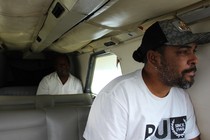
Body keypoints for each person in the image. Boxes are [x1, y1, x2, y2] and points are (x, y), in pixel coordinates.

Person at [83, 18, 210, 140]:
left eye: (194, 51)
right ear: (154, 58)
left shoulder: (182, 98)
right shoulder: (116, 97)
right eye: (183, 51)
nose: (195, 59)